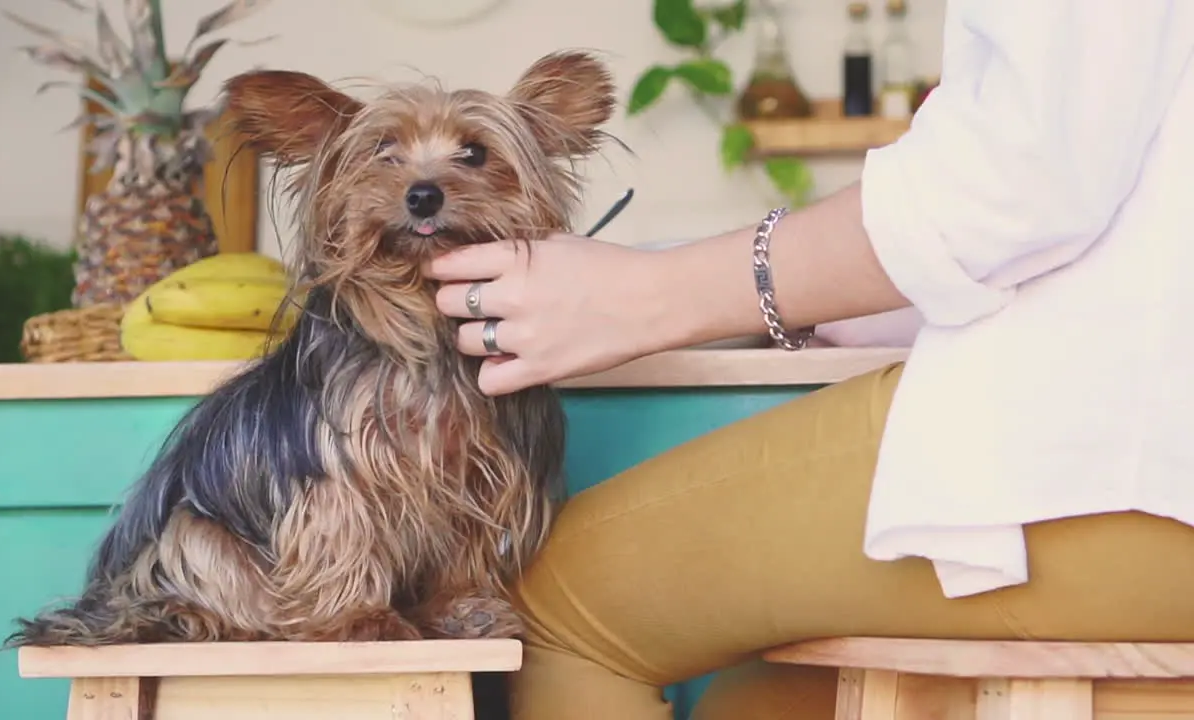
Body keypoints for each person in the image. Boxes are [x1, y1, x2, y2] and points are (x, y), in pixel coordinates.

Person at [423, 1, 1194, 718]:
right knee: (770, 695)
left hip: (1131, 458)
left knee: (556, 607)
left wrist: (653, 292)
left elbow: (1018, 174)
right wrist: (867, 292)